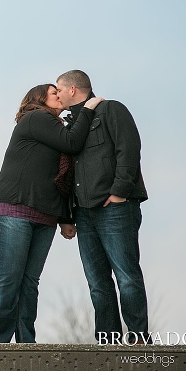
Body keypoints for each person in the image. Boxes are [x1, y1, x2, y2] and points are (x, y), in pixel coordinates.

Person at [0, 84, 104, 343]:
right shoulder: (36, 118)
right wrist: (88, 109)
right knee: (10, 276)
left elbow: (62, 178)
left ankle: (26, 343)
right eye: (53, 92)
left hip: (45, 214)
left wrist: (66, 219)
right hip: (15, 207)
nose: (59, 95)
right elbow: (72, 142)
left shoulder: (56, 127)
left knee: (29, 281)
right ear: (39, 99)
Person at [56, 69, 149, 344]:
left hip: (115, 208)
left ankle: (138, 339)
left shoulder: (111, 110)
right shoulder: (70, 127)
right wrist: (69, 215)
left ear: (72, 89)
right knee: (97, 283)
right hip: (83, 213)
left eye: (59, 89)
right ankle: (108, 343)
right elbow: (68, 173)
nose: (57, 94)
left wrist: (119, 192)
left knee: (126, 276)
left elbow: (129, 150)